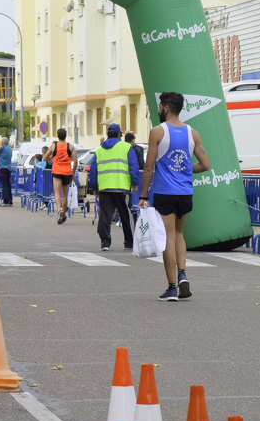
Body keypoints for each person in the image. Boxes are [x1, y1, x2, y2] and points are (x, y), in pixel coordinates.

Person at [138, 91, 211, 301]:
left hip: (164, 192)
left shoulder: (157, 132)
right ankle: (182, 274)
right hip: (185, 193)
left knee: (168, 236)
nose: (159, 109)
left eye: (160, 106)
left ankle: (171, 288)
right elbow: (205, 164)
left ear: (166, 108)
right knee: (179, 234)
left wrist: (143, 195)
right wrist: (185, 171)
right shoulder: (193, 133)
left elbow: (149, 167)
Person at [90, 123, 140, 252]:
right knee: (125, 215)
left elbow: (93, 170)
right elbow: (133, 167)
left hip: (105, 187)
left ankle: (105, 242)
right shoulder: (126, 147)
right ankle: (129, 242)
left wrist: (95, 187)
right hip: (121, 187)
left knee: (105, 215)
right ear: (119, 134)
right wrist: (135, 183)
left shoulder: (99, 150)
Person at [44, 128, 77, 224]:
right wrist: (73, 172)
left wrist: (53, 157)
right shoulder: (70, 147)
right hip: (67, 172)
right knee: (64, 194)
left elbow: (45, 157)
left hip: (57, 172)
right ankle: (64, 213)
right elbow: (75, 161)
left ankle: (59, 211)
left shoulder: (54, 146)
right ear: (66, 136)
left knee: (57, 193)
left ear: (57, 136)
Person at [0, 136, 15, 207]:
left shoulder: (2, 149)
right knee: (8, 185)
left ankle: (5, 201)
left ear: (2, 143)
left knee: (4, 185)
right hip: (8, 168)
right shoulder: (10, 149)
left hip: (2, 168)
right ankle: (10, 201)